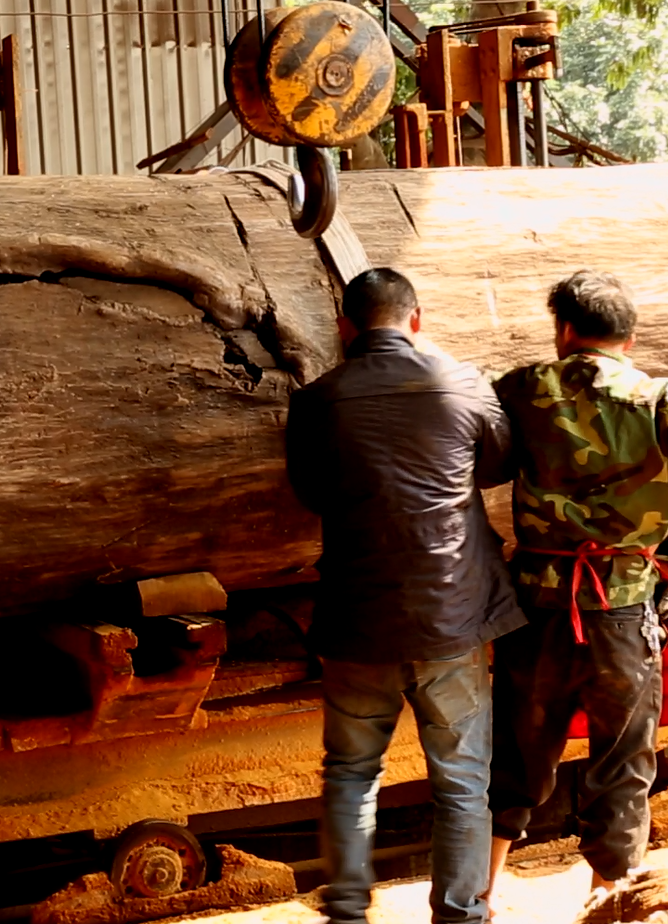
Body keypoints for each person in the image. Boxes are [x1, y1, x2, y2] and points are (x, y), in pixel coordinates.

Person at [486, 271, 668, 897]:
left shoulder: (523, 388)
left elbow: (475, 453)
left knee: (513, 755)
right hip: (621, 607)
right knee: (620, 766)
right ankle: (608, 905)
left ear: (565, 329)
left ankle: (475, 901)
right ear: (630, 338)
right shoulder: (661, 401)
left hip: (535, 604)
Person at [285, 268, 525, 924]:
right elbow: (500, 462)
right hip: (452, 617)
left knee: (351, 773)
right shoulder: (461, 381)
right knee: (461, 780)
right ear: (416, 321)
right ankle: (460, 916)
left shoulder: (315, 401)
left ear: (344, 327)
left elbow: (310, 493)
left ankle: (346, 913)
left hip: (358, 620)